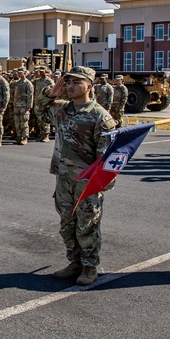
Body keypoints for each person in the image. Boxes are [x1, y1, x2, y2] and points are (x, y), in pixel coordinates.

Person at [33, 65, 116, 285]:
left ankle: (90, 267)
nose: (70, 86)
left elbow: (107, 157)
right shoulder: (61, 109)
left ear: (89, 85)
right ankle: (75, 262)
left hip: (87, 182)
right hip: (63, 178)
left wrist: (100, 184)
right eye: (67, 82)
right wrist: (51, 93)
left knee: (87, 225)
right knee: (67, 224)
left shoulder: (100, 117)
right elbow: (39, 112)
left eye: (75, 82)